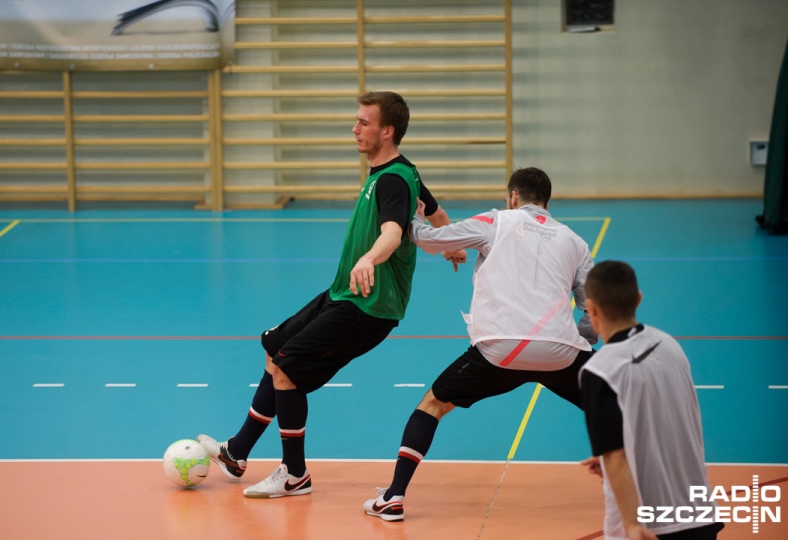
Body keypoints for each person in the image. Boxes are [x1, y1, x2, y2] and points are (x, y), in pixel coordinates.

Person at [197, 91, 460, 499]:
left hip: (368, 305)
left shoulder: (392, 180)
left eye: (363, 123)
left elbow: (392, 232)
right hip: (344, 294)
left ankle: (294, 474)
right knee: (275, 347)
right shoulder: (402, 171)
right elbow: (436, 212)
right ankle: (237, 451)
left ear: (386, 131)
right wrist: (450, 243)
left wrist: (369, 259)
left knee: (287, 370)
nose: (354, 129)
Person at [363, 166, 598, 521]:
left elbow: (428, 239)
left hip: (498, 351)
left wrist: (412, 216)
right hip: (560, 353)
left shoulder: (496, 221)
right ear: (547, 202)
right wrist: (581, 343)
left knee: (432, 405)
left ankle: (394, 497)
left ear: (513, 197)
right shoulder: (575, 242)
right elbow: (591, 309)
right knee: (618, 410)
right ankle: (657, 495)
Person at [579, 261, 723, 540]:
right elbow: (670, 421)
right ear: (638, 299)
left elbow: (616, 456)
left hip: (650, 529)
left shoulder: (599, 370)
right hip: (700, 515)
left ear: (591, 308)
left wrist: (633, 525)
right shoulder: (670, 344)